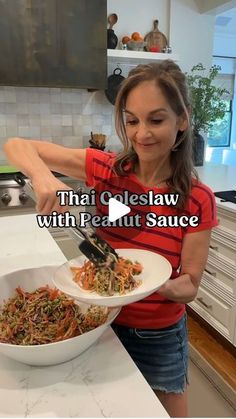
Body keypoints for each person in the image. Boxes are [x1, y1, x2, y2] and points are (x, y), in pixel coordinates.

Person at [4, 60, 218, 417]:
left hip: (159, 337)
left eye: (156, 119)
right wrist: (43, 178)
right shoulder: (107, 171)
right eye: (132, 120)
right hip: (100, 324)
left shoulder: (197, 199)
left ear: (182, 119)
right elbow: (17, 144)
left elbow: (190, 287)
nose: (141, 134)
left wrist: (149, 282)